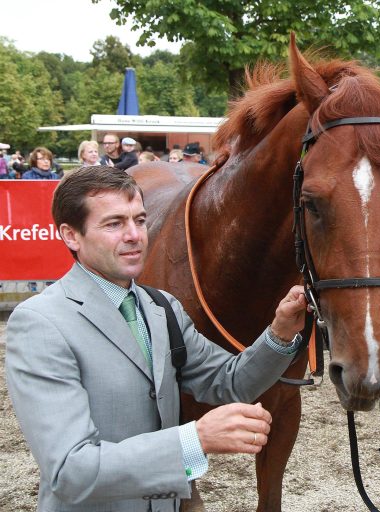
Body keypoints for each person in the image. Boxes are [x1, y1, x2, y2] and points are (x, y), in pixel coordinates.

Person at [5, 165, 307, 511]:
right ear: (71, 236)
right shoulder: (41, 323)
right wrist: (195, 439)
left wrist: (280, 333)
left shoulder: (161, 307)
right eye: (114, 223)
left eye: (140, 219)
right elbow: (70, 470)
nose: (134, 235)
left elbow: (230, 382)